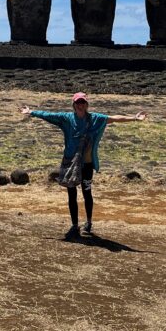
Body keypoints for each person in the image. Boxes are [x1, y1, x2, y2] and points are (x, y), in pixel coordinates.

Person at [21, 92, 146, 237]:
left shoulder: (95, 119)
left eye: (83, 102)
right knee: (71, 194)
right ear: (74, 105)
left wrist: (134, 118)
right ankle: (74, 225)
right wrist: (31, 112)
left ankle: (88, 223)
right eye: (78, 103)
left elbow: (113, 118)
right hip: (70, 163)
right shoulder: (67, 118)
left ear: (86, 104)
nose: (80, 105)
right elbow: (49, 115)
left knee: (87, 192)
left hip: (87, 163)